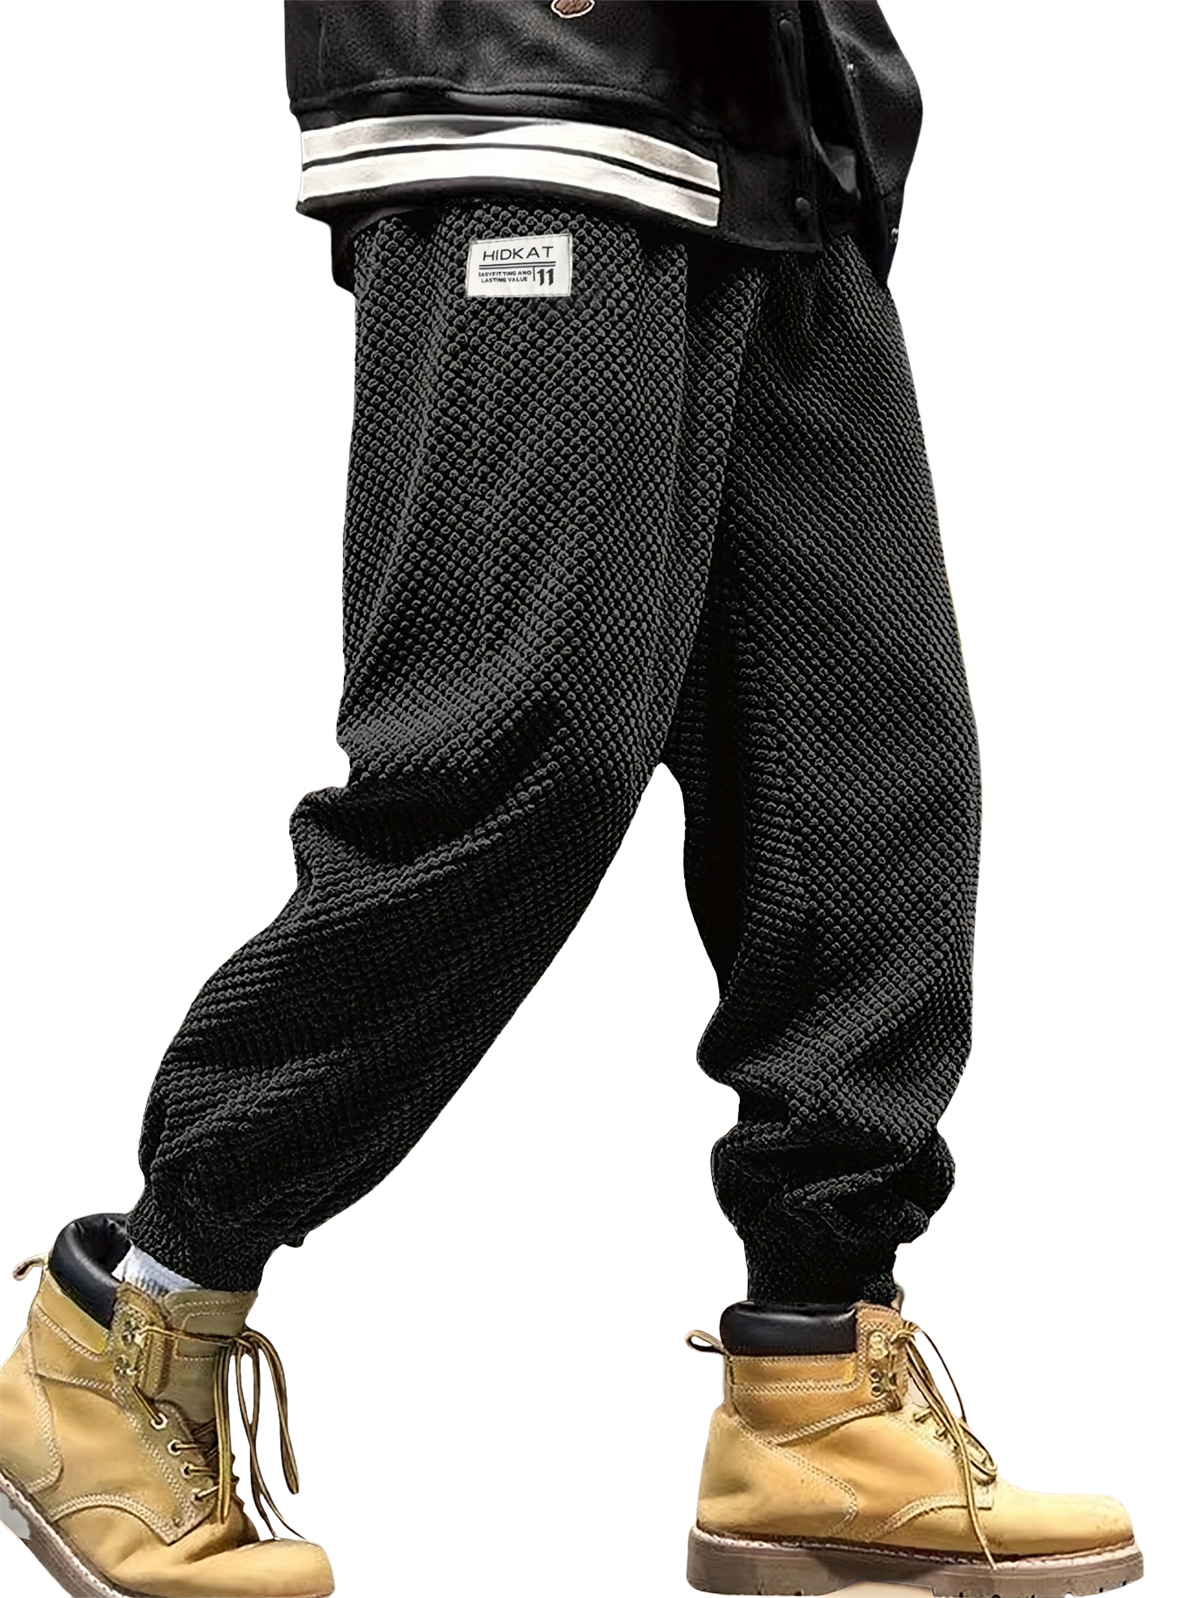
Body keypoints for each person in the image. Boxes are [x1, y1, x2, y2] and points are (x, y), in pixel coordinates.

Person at [0, 5, 1142, 1596]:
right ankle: (130, 1321)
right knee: (515, 753)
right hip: (534, 85)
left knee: (870, 777)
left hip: (777, 126)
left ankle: (819, 1388)